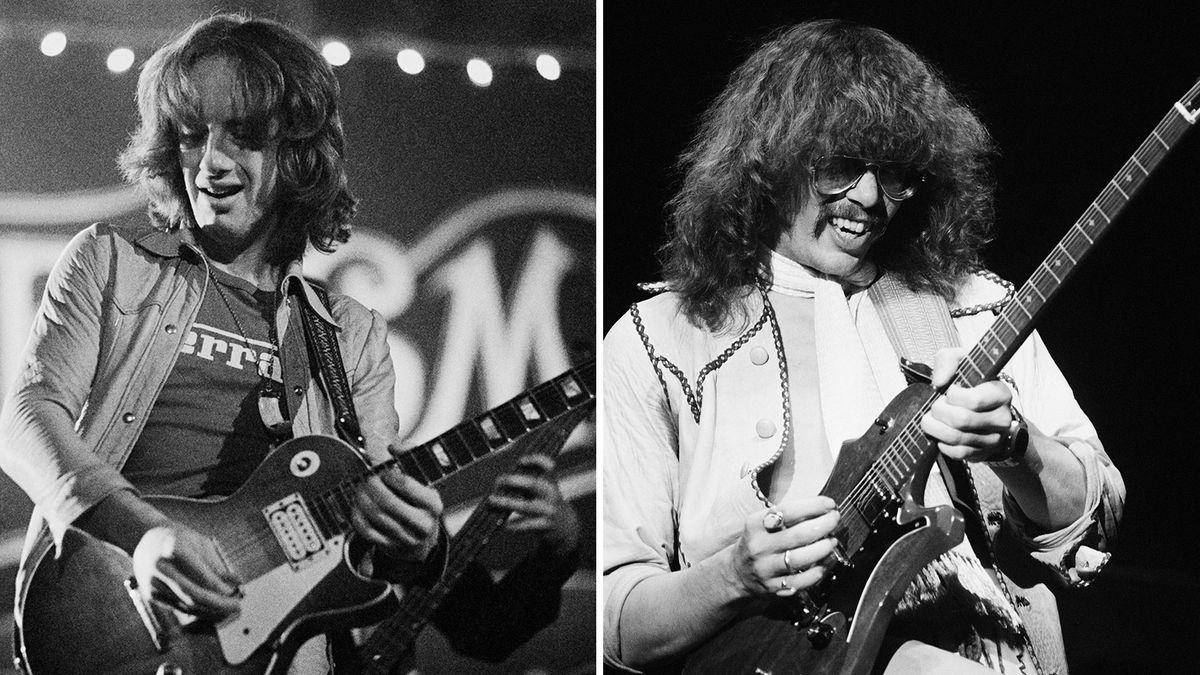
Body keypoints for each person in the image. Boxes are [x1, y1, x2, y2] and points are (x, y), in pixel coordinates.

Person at [0, 13, 580, 673]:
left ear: (298, 152)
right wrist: (144, 535)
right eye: (192, 134)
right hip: (110, 617)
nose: (209, 161)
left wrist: (417, 549)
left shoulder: (350, 336)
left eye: (243, 135)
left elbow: (406, 573)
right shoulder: (111, 262)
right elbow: (25, 417)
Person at [603, 19, 1125, 675]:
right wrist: (735, 575)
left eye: (897, 173)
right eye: (841, 166)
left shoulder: (973, 310)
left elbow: (1095, 518)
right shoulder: (660, 339)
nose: (872, 198)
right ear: (769, 157)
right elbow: (618, 625)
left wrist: (1015, 445)